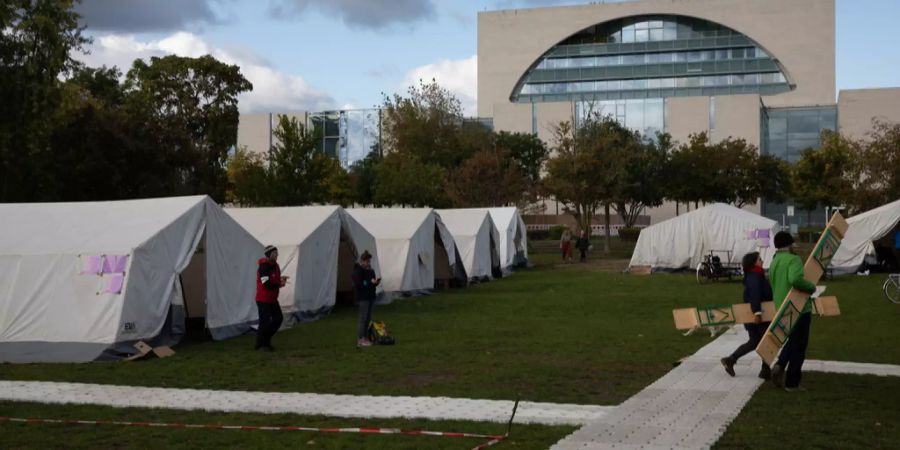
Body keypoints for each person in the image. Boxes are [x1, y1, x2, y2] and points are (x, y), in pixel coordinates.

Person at [769, 231, 817, 391]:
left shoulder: (774, 261)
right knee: (799, 346)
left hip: (781, 308)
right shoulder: (793, 259)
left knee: (792, 341)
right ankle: (792, 383)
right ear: (789, 244)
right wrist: (811, 287)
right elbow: (795, 279)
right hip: (799, 308)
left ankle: (780, 364)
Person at [721, 252, 772, 379]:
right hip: (758, 316)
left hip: (756, 315)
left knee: (756, 341)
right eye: (760, 259)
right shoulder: (755, 276)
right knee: (766, 341)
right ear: (753, 262)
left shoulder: (754, 275)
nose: (762, 261)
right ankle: (765, 370)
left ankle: (731, 360)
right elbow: (755, 294)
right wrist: (757, 312)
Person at [255, 245, 288, 352]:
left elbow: (274, 279)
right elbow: (265, 283)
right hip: (263, 299)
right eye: (274, 253)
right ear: (269, 255)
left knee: (278, 319)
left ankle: (265, 340)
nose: (277, 255)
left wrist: (281, 279)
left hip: (272, 299)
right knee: (264, 322)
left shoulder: (275, 265)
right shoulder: (264, 267)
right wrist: (279, 284)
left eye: (277, 253)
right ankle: (261, 345)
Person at [352, 250, 381, 347]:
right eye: (367, 261)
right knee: (362, 318)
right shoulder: (358, 270)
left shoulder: (371, 270)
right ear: (362, 261)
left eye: (369, 261)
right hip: (363, 297)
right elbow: (360, 283)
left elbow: (371, 283)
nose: (368, 263)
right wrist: (369, 282)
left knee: (368, 318)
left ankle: (366, 337)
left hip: (371, 296)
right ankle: (361, 339)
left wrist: (375, 283)